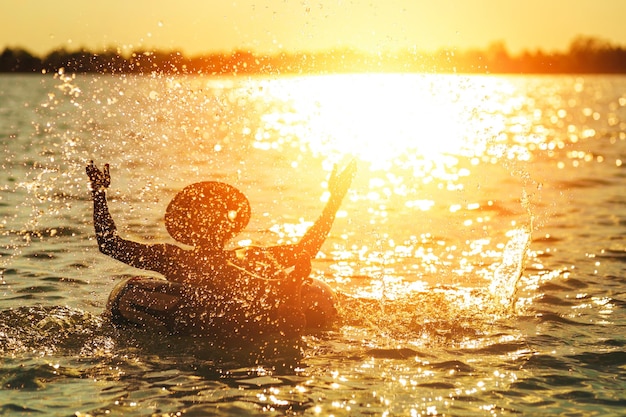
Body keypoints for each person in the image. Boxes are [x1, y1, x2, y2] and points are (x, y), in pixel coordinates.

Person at [86, 160, 356, 339]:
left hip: (239, 319)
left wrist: (335, 200)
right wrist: (98, 194)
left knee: (288, 277)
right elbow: (111, 245)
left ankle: (282, 291)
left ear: (228, 226)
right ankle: (283, 291)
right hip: (207, 317)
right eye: (203, 216)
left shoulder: (251, 256)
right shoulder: (174, 258)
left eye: (216, 216)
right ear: (189, 227)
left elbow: (305, 250)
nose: (210, 222)